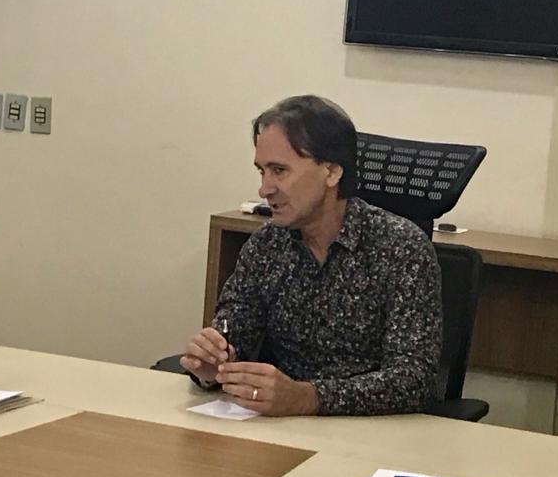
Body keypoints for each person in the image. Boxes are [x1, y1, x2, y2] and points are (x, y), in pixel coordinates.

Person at [181, 95, 441, 417]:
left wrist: (308, 398)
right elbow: (234, 335)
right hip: (275, 426)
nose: (264, 189)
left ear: (330, 172)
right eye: (262, 171)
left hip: (370, 431)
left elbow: (414, 380)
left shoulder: (401, 248)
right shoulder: (266, 245)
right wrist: (214, 364)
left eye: (279, 171)